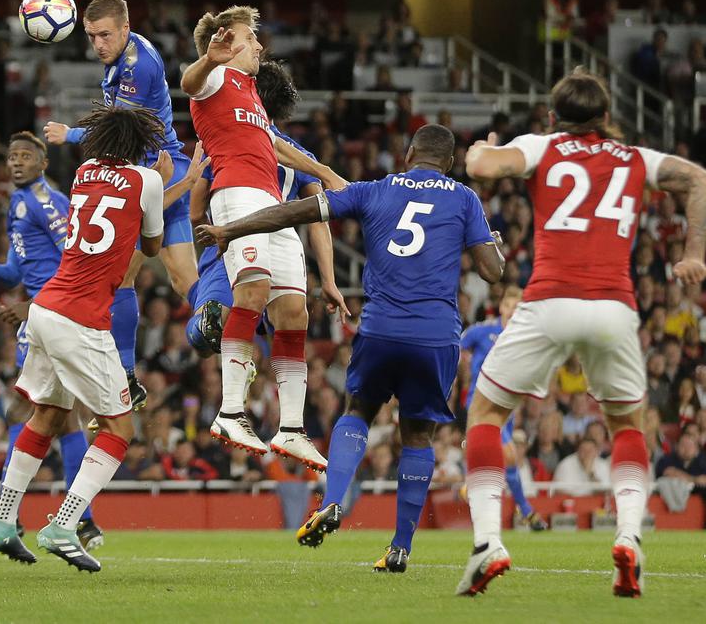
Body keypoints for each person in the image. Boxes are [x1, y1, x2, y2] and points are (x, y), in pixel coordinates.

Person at [197, 123, 504, 573]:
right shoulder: (464, 199)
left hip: (380, 330)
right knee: (418, 436)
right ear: (451, 162)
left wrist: (231, 228)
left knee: (357, 411)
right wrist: (493, 244)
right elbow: (492, 272)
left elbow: (295, 212)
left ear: (408, 154)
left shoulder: (373, 190)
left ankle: (334, 500)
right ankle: (400, 547)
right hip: (436, 335)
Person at [456, 68, 706, 598]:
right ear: (607, 116)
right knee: (627, 425)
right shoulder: (636, 158)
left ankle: (487, 543)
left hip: (549, 300)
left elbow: (480, 167)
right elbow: (698, 178)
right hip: (614, 307)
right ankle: (630, 536)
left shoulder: (542, 146)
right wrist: (694, 254)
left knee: (486, 415)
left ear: (554, 116)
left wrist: (483, 148)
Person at [0, 104, 173, 573]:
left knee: (47, 416)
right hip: (81, 319)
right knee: (120, 429)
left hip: (44, 310)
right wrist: (161, 183)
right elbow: (152, 247)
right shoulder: (147, 180)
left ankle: (2, 521)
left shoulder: (83, 173)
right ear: (139, 145)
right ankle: (65, 525)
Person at [180, 5, 344, 465]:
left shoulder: (251, 92)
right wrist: (209, 58)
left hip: (275, 207)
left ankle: (291, 428)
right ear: (226, 43)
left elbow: (274, 145)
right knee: (251, 291)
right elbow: (189, 83)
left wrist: (324, 172)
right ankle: (231, 411)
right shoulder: (215, 78)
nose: (259, 46)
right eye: (251, 38)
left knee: (293, 312)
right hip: (238, 194)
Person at [42, 0, 196, 410]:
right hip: (166, 168)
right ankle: (229, 329)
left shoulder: (137, 66)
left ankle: (126, 375)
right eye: (92, 36)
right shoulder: (125, 53)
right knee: (184, 280)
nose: (98, 44)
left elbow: (118, 131)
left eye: (105, 35)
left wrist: (69, 134)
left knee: (122, 279)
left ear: (126, 28)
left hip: (144, 179)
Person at [0, 131, 105, 550]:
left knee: (28, 413)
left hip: (54, 315)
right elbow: (17, 274)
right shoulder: (18, 203)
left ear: (43, 164)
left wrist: (32, 307)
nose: (17, 162)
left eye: (26, 156)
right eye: (12, 156)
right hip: (46, 315)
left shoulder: (47, 201)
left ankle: (9, 518)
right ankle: (80, 521)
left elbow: (75, 259)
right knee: (60, 418)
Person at [459, 285, 548, 530]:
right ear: (501, 307)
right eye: (508, 306)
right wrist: (460, 370)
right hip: (481, 403)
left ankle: (523, 510)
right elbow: (457, 346)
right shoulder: (483, 331)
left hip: (507, 405)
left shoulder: (524, 338)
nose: (511, 311)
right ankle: (520, 509)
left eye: (517, 307)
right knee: (506, 454)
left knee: (509, 460)